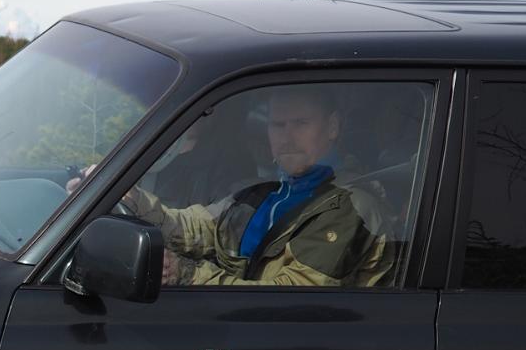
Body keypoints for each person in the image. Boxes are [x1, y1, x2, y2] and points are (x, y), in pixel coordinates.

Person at [84, 86, 395, 287]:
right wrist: (132, 198)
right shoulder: (266, 190)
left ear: (332, 127)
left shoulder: (351, 207)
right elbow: (198, 227)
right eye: (278, 125)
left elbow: (287, 304)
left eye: (301, 124)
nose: (287, 137)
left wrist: (184, 274)